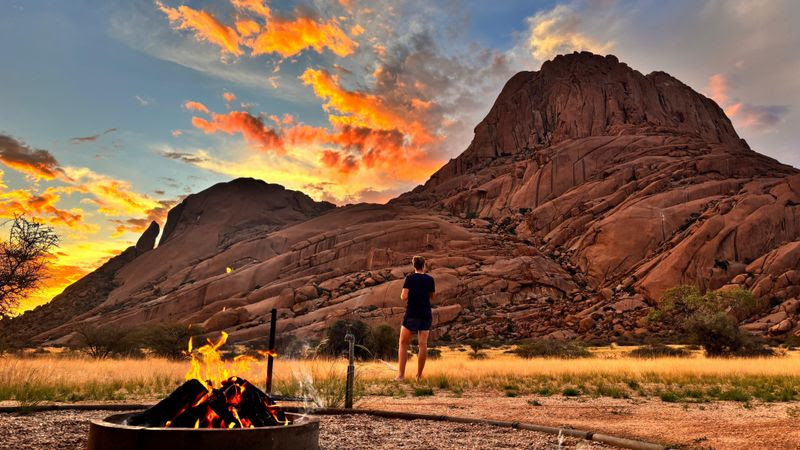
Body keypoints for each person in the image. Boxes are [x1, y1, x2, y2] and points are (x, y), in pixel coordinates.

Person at [396, 255, 435, 381]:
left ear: (414, 265)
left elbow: (403, 296)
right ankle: (419, 376)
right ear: (424, 265)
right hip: (425, 313)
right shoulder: (430, 279)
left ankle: (401, 375)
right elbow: (432, 296)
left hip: (412, 313)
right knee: (422, 345)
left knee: (403, 343)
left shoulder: (410, 278)